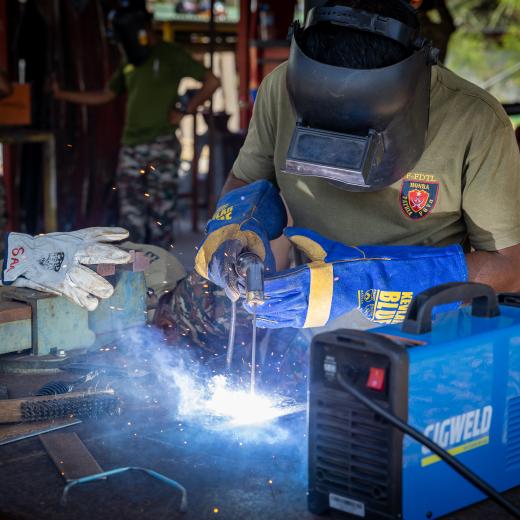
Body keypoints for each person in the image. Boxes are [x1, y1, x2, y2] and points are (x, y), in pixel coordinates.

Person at [193, 0, 520, 332]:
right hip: (308, 312)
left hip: (427, 330)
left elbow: (510, 268)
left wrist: (370, 282)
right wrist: (236, 229)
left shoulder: (474, 119)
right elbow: (245, 181)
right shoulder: (281, 88)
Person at [52, 5, 220, 249]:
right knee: (131, 219)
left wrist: (185, 108)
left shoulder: (170, 55)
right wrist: (62, 95)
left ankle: (162, 277)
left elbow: (212, 82)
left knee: (160, 217)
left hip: (161, 146)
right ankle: (134, 274)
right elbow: (105, 94)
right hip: (130, 148)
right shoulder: (129, 61)